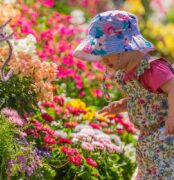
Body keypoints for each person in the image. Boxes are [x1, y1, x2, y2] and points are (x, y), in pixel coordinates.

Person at [73, 10, 174, 179]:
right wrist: (122, 105)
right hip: (149, 138)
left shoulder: (152, 68)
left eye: (105, 54)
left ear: (125, 48)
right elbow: (146, 99)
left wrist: (172, 116)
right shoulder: (128, 72)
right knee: (148, 169)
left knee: (165, 172)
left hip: (167, 134)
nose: (103, 61)